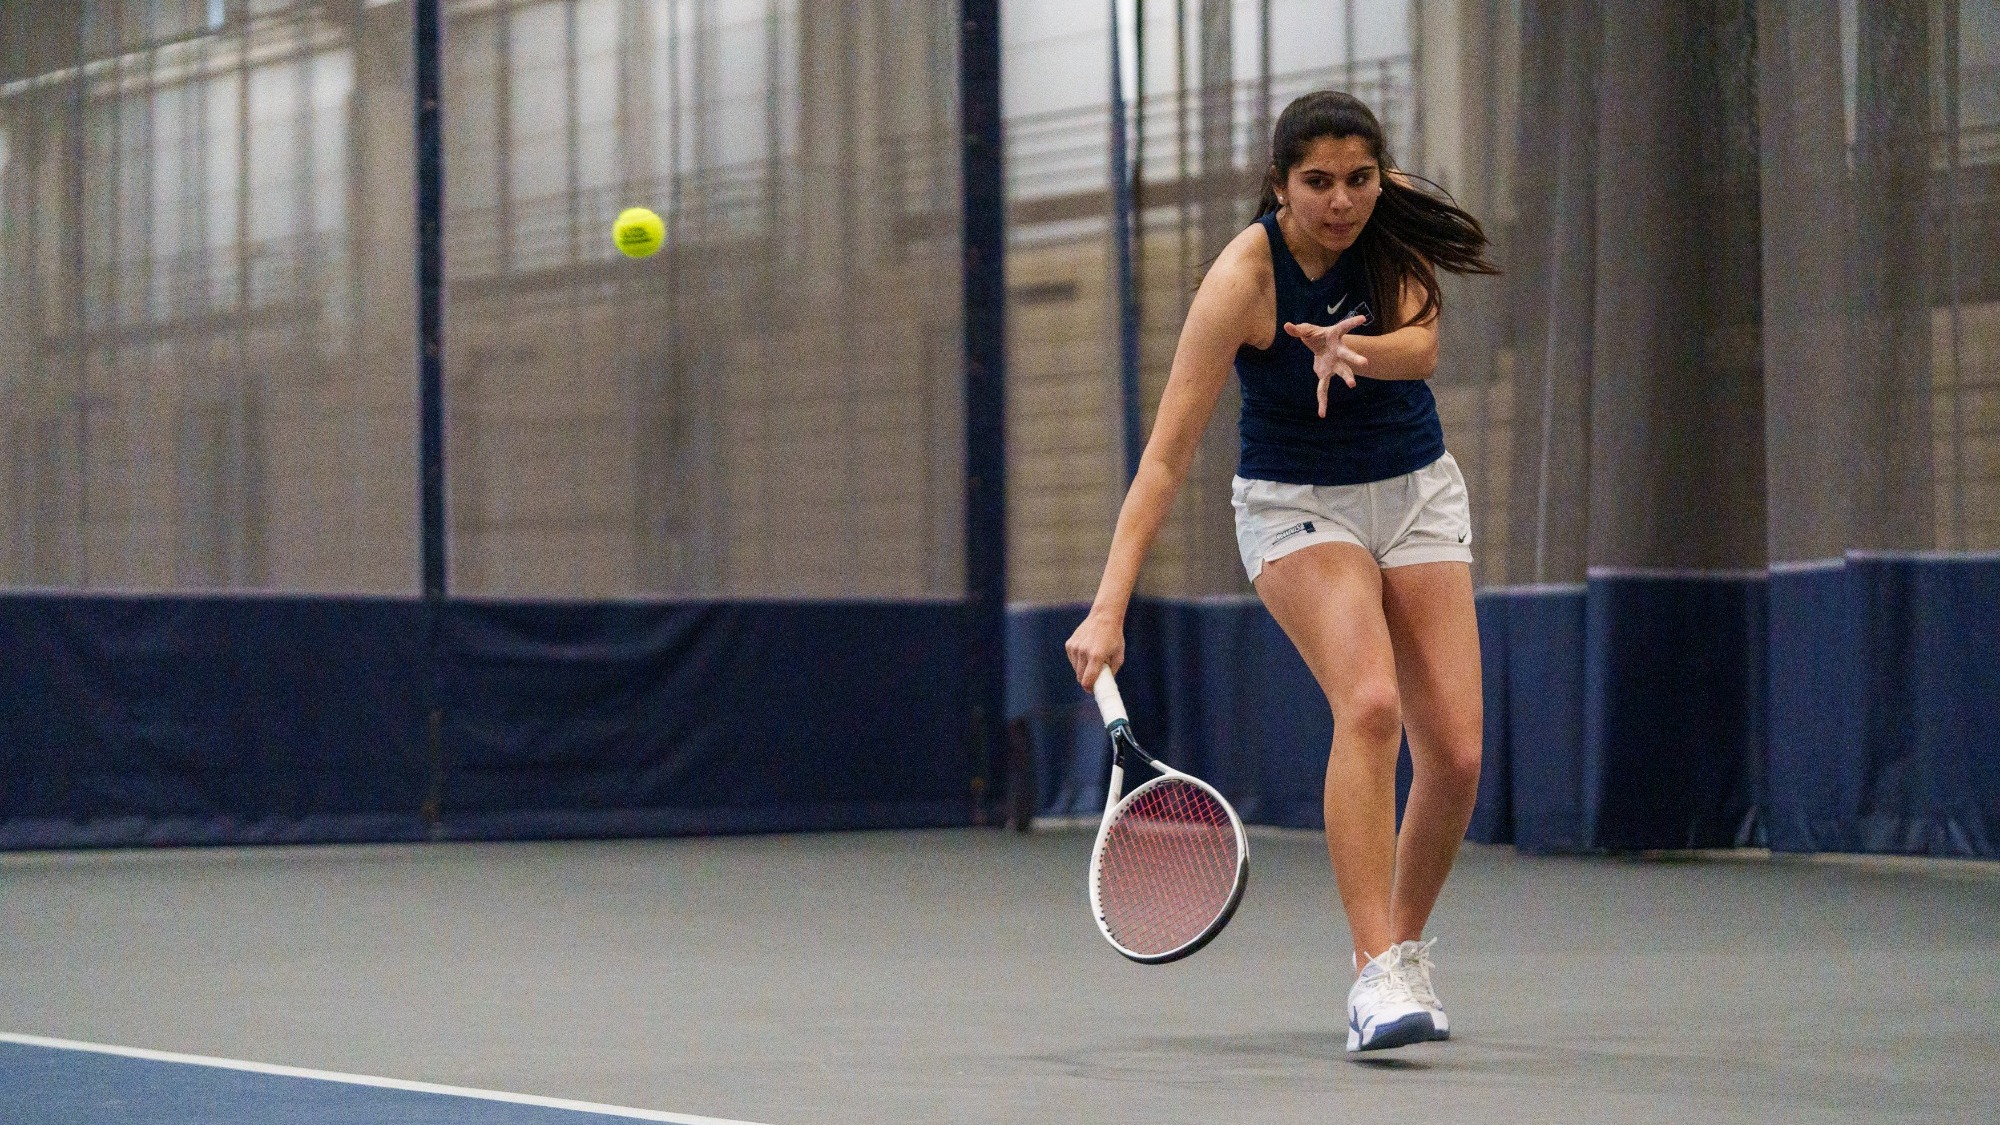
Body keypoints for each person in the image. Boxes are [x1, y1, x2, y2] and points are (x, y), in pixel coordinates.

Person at [1064, 90, 1498, 1054]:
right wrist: (1108, 608)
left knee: (1458, 756)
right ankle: (1374, 970)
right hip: (1298, 506)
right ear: (1278, 185)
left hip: (1419, 492)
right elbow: (1167, 456)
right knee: (1372, 704)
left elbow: (1422, 347)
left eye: (1357, 178)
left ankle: (1402, 949)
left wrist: (1356, 353)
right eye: (1317, 183)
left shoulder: (1395, 224)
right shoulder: (1241, 281)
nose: (1342, 201)